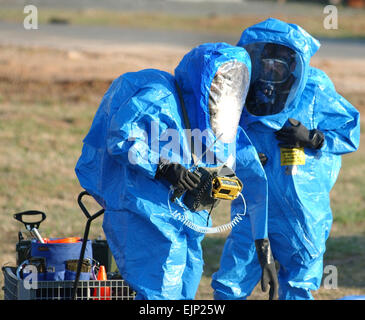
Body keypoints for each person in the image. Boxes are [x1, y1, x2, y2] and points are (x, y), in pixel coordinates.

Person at [75, 42, 275, 299]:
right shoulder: (157, 97)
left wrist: (263, 245)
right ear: (203, 79)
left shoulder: (218, 121)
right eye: (219, 83)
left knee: (186, 285)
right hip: (145, 212)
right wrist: (163, 167)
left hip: (189, 219)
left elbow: (252, 178)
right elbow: (121, 139)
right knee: (159, 293)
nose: (224, 91)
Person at [212, 18, 360, 300]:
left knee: (299, 282)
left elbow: (349, 132)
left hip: (301, 210)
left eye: (277, 67)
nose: (268, 73)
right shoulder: (242, 93)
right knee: (232, 280)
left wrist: (313, 138)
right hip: (252, 206)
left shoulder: (314, 90)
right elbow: (218, 137)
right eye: (264, 64)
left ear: (293, 67)